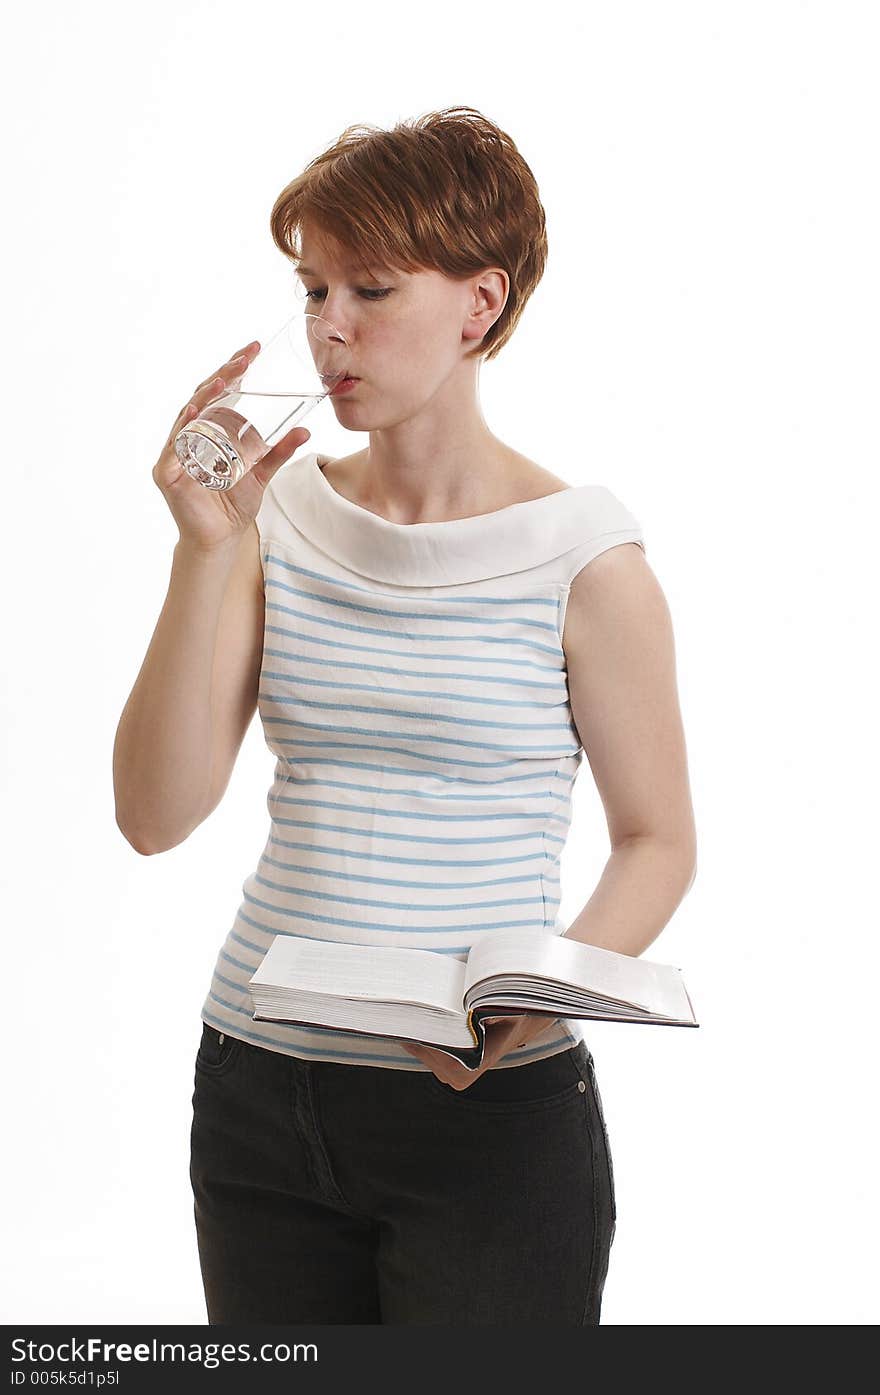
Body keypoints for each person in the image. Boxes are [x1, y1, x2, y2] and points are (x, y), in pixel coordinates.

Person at [113, 106, 697, 1326]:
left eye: (370, 290)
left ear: (479, 306)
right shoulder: (274, 519)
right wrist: (203, 551)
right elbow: (154, 817)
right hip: (258, 1091)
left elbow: (658, 839)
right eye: (313, 286)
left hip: (486, 1116)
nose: (328, 327)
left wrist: (543, 993)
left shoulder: (588, 559)